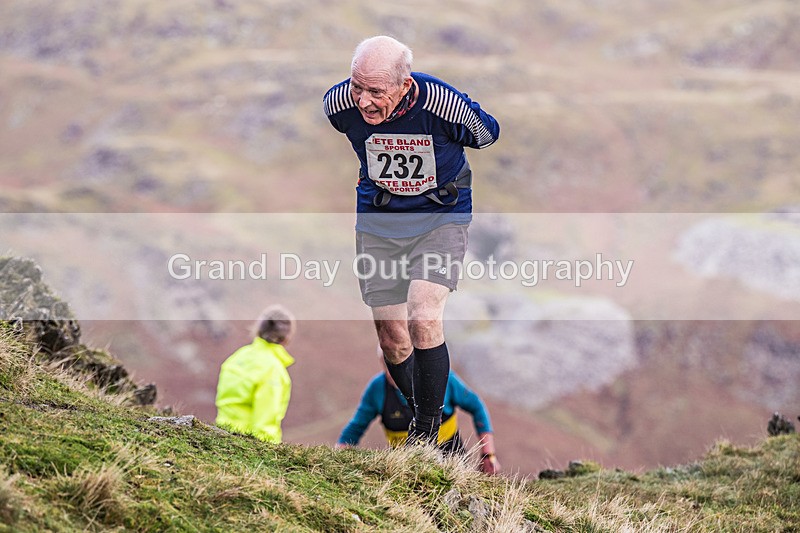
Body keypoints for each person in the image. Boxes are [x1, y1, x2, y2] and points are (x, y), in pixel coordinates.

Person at [323, 36, 499, 444]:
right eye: (357, 87)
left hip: (440, 219)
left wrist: (462, 112)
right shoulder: (339, 106)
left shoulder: (441, 103)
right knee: (392, 338)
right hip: (379, 224)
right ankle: (439, 437)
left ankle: (426, 434)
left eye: (376, 92)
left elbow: (488, 135)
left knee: (423, 315)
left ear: (405, 85)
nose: (364, 101)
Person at [337, 348, 501, 474]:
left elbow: (477, 406)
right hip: (404, 470)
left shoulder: (444, 379)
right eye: (388, 363)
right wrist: (336, 457)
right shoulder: (377, 389)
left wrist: (488, 454)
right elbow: (355, 428)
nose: (393, 371)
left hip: (454, 467)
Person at [215, 305, 296, 443]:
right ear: (286, 338)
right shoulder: (273, 369)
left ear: (258, 330)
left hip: (219, 436)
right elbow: (265, 422)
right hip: (246, 444)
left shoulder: (237, 357)